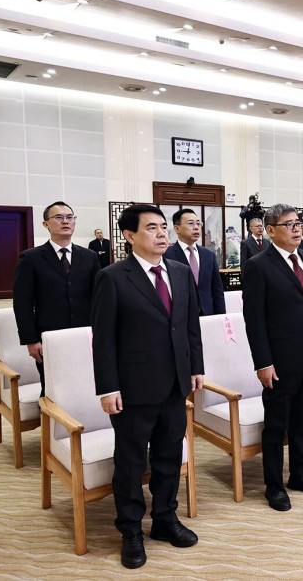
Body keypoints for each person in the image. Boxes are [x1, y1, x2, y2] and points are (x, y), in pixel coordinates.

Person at [92, 204, 204, 569]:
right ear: (129, 235)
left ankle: (165, 519)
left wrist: (196, 367)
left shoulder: (180, 272)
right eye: (151, 228)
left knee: (169, 456)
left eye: (163, 227)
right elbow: (103, 339)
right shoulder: (113, 277)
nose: (161, 234)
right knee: (131, 463)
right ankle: (130, 531)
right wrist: (108, 387)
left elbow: (190, 326)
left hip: (175, 383)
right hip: (133, 387)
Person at [242, 204, 303, 512]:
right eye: (288, 224)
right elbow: (254, 320)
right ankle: (274, 485)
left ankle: (301, 474)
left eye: (298, 223)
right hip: (279, 360)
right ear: (270, 230)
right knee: (276, 425)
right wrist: (263, 362)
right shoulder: (258, 265)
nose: (297, 229)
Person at [13, 201, 100, 397]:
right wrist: (31, 339)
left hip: (85, 332)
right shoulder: (31, 258)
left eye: (70, 217)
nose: (65, 221)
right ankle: (48, 417)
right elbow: (22, 303)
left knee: (87, 383)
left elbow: (99, 297)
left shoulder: (89, 256)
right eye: (59, 217)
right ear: (46, 224)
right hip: (49, 335)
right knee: (53, 389)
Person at [164, 209, 226, 316]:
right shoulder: (166, 255)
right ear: (177, 228)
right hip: (181, 316)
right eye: (190, 223)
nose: (196, 227)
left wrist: (221, 315)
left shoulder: (208, 255)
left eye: (198, 223)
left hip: (208, 315)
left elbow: (217, 289)